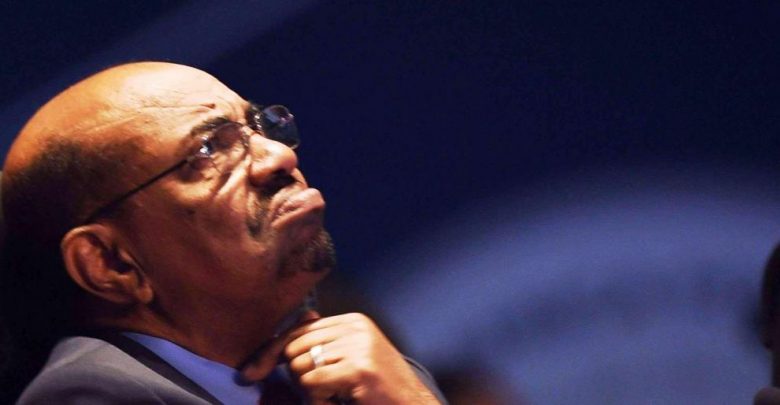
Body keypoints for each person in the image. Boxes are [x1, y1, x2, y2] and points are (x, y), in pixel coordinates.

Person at [0, 62, 446, 404]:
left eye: (258, 126)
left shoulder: (361, 370)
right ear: (111, 263)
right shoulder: (95, 396)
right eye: (208, 150)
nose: (279, 157)